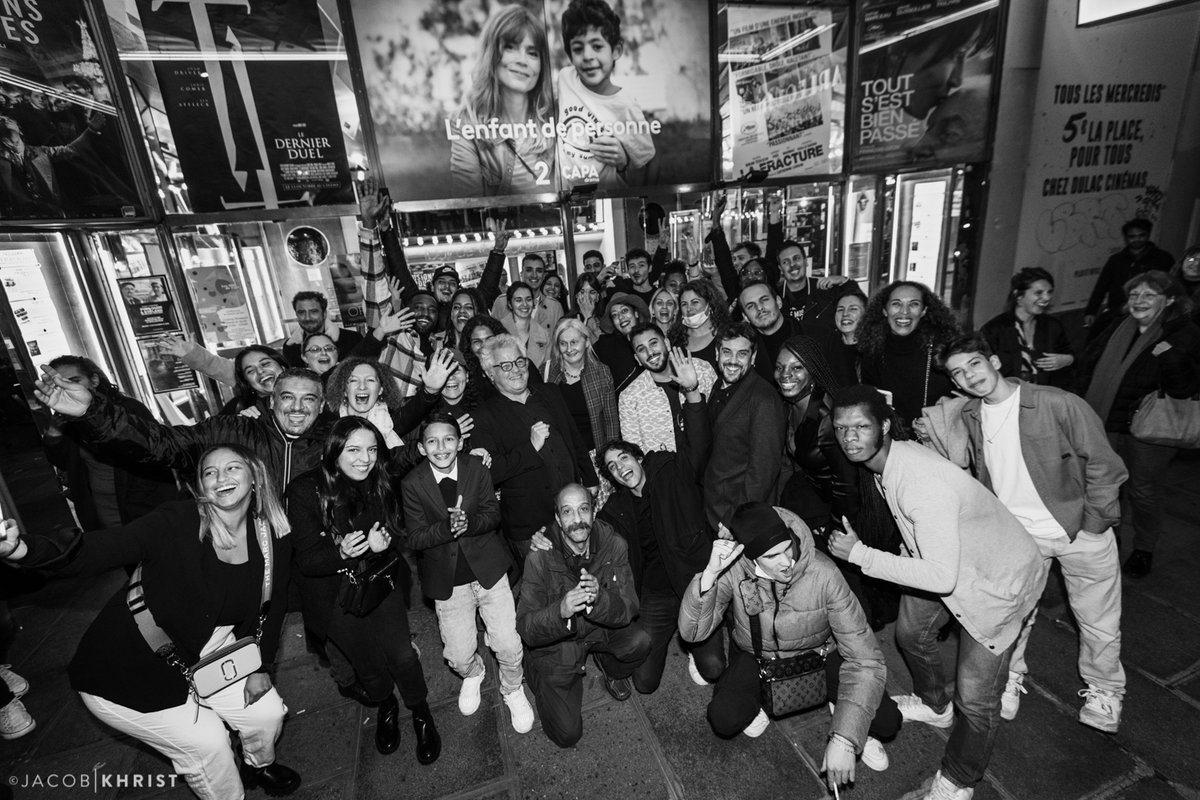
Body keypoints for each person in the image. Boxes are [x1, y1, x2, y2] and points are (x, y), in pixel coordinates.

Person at [0, 446, 301, 799]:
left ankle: (257, 765)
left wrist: (261, 664)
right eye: (210, 472)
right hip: (129, 666)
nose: (221, 478)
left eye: (233, 468)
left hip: (208, 648)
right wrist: (25, 551)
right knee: (209, 744)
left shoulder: (272, 534)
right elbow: (101, 548)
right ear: (200, 486)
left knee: (265, 714)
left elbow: (274, 602)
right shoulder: (175, 522)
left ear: (254, 479)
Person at [826, 386, 1042, 800]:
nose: (850, 437)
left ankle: (959, 781)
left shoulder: (915, 480)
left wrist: (860, 554)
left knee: (977, 701)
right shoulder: (886, 463)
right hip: (957, 561)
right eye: (841, 428)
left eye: (861, 427)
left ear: (885, 425)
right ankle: (934, 705)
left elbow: (942, 577)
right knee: (911, 632)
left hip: (996, 582)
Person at [941, 334, 1127, 732]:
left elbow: (1105, 465)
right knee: (1014, 616)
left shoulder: (1057, 402)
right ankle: (1010, 678)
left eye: (974, 363)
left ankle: (1105, 691)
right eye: (958, 372)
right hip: (1021, 536)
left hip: (1078, 528)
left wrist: (1095, 523)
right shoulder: (973, 416)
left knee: (1097, 619)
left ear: (993, 360)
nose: (969, 376)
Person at [677, 503, 898, 793]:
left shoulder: (823, 572)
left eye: (788, 549)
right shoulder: (734, 571)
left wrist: (845, 738)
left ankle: (844, 708)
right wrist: (709, 575)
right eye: (772, 556)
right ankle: (763, 701)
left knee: (888, 721)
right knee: (724, 718)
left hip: (819, 654)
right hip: (758, 658)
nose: (786, 562)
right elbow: (693, 632)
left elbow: (865, 657)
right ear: (750, 556)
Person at [285, 419, 441, 762]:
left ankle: (420, 710)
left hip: (377, 583)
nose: (364, 459)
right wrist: (342, 552)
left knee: (402, 655)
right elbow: (306, 562)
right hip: (332, 597)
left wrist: (381, 543)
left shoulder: (379, 482)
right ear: (334, 450)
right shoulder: (304, 491)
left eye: (371, 449)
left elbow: (391, 529)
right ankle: (386, 704)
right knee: (367, 664)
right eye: (353, 450)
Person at [593, 350, 725, 692]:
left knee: (713, 668)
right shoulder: (614, 511)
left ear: (638, 457)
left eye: (624, 457)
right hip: (655, 595)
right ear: (612, 477)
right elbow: (592, 546)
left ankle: (694, 641)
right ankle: (669, 635)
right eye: (612, 466)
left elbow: (699, 449)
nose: (621, 466)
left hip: (693, 580)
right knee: (645, 683)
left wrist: (693, 395)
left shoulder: (667, 470)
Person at [402, 414, 536, 735]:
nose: (441, 447)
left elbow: (492, 514)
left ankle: (512, 688)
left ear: (460, 443)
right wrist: (446, 528)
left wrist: (470, 523)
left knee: (507, 643)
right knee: (458, 655)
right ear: (422, 448)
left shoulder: (476, 469)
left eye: (449, 439)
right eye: (432, 441)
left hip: (488, 569)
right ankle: (474, 674)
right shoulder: (412, 484)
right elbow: (416, 538)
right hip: (448, 580)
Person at [1077, 270, 1200, 578]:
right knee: (1105, 485)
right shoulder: (1117, 325)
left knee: (1144, 491)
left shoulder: (1183, 331)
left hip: (1150, 429)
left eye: (1148, 295)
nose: (1139, 301)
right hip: (1106, 420)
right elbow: (1090, 364)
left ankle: (1144, 547)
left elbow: (1182, 388)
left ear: (1169, 299)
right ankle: (1110, 537)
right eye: (1134, 295)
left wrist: (1168, 355)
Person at [515, 484, 651, 746]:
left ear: (594, 511)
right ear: (557, 518)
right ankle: (534, 671)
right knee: (566, 735)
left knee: (641, 641)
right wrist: (560, 611)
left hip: (599, 627)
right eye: (567, 512)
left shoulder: (614, 545)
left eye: (583, 509)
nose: (577, 520)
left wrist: (600, 599)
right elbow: (525, 627)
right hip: (560, 643)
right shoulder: (539, 558)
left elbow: (629, 606)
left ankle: (608, 666)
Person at [470, 335, 598, 563]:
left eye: (520, 362)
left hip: (573, 511)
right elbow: (490, 472)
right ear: (491, 374)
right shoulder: (483, 417)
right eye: (505, 366)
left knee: (584, 578)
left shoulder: (551, 393)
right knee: (542, 592)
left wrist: (590, 480)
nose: (516, 370)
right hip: (530, 524)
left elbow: (574, 438)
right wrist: (531, 448)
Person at [40, 356, 182, 531]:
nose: (68, 388)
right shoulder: (66, 418)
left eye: (75, 380)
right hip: (101, 511)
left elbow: (157, 451)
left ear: (94, 380)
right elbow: (62, 461)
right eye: (59, 385)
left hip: (144, 508)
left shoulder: (129, 409)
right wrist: (54, 432)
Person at [449, 4, 555, 196]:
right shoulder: (466, 122)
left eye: (532, 53)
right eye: (511, 47)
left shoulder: (556, 114)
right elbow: (469, 203)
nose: (523, 60)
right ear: (492, 55)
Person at [555, 0, 655, 190]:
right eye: (578, 49)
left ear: (616, 51)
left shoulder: (625, 105)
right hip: (567, 198)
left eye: (597, 46)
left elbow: (646, 162)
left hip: (607, 198)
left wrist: (624, 161)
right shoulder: (565, 78)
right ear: (570, 55)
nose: (587, 56)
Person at [703, 322, 785, 530]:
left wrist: (736, 519)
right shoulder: (717, 387)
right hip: (714, 507)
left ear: (753, 357)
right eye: (727, 352)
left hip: (741, 514)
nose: (732, 361)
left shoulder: (763, 398)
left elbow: (763, 470)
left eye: (742, 354)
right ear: (717, 353)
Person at [859, 280, 960, 429]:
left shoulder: (944, 349)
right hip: (891, 439)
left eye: (914, 304)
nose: (904, 311)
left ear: (924, 311)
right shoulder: (872, 350)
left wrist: (935, 425)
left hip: (937, 439)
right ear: (885, 310)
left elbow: (960, 401)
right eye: (896, 304)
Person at [620, 324, 717, 454]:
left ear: (666, 343)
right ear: (637, 359)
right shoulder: (630, 397)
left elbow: (721, 419)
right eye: (641, 349)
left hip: (711, 463)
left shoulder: (701, 369)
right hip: (666, 471)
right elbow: (635, 451)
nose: (650, 352)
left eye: (653, 343)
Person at [979, 268, 1074, 388]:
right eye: (1039, 293)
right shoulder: (994, 329)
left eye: (1049, 292)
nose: (1046, 298)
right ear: (1018, 295)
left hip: (1046, 396)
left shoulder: (1052, 326)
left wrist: (1068, 360)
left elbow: (1071, 353)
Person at [545, 318, 621, 457]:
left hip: (596, 453)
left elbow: (611, 421)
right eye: (563, 343)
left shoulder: (602, 373)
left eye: (574, 342)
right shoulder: (546, 373)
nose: (569, 349)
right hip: (564, 456)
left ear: (586, 342)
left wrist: (611, 457)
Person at [1084, 220, 1175, 335]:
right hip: (1117, 312)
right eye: (1132, 236)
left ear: (1148, 235)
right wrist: (1091, 311)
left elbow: (1170, 286)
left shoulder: (1162, 258)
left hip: (1148, 313)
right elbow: (1101, 287)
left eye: (1141, 235)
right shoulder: (1116, 260)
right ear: (1126, 238)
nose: (1137, 239)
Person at [776, 240, 856, 334]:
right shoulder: (775, 298)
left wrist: (843, 281)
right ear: (780, 268)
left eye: (796, 258)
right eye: (786, 262)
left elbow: (857, 302)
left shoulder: (825, 289)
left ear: (806, 261)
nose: (792, 264)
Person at [738, 280, 807, 380]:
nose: (759, 308)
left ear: (778, 302)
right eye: (751, 306)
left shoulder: (810, 335)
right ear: (745, 317)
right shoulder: (745, 350)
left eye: (764, 300)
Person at [283, 291, 364, 367]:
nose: (307, 318)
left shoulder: (352, 339)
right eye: (301, 312)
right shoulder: (291, 348)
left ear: (324, 314)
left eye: (314, 311)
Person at [668, 279, 731, 371]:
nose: (689, 308)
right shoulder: (674, 340)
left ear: (709, 305)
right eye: (684, 304)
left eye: (695, 302)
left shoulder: (727, 336)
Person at [595, 291, 650, 393]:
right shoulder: (605, 345)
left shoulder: (651, 339)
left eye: (624, 311)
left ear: (636, 313)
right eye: (615, 315)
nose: (620, 317)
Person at [218, 346, 288, 416]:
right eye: (250, 371)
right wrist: (239, 423)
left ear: (282, 366)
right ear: (246, 381)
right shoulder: (238, 407)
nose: (260, 371)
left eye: (265, 364)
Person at [502, 282, 552, 368]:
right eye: (518, 300)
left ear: (534, 303)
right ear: (510, 304)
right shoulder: (499, 331)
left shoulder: (544, 335)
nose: (524, 304)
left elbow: (548, 370)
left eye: (528, 299)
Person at [830, 288, 868, 386]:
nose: (845, 314)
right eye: (840, 309)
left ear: (866, 315)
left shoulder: (874, 352)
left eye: (853, 309)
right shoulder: (827, 350)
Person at [569, 272, 606, 342]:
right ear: (576, 296)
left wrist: (589, 317)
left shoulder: (606, 320)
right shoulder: (566, 321)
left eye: (592, 292)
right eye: (582, 292)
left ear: (598, 297)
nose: (587, 297)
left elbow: (604, 348)